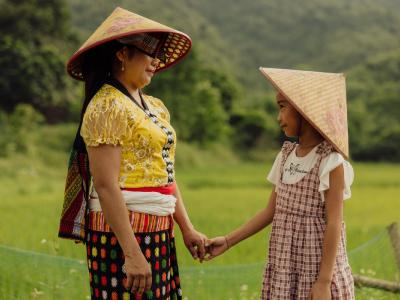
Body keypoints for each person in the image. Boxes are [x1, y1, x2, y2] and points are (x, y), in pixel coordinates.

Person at [58, 7, 207, 300]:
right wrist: (133, 253)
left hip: (159, 228)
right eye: (150, 51)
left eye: (159, 54)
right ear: (122, 55)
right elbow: (105, 185)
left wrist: (187, 228)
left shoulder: (156, 107)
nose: (156, 61)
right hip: (124, 235)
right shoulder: (107, 106)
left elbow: (165, 174)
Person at [206, 68, 355, 299]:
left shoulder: (330, 162)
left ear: (304, 109)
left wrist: (324, 281)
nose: (278, 117)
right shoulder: (286, 155)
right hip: (284, 266)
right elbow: (271, 211)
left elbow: (335, 223)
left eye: (282, 107)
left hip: (315, 268)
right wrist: (227, 241)